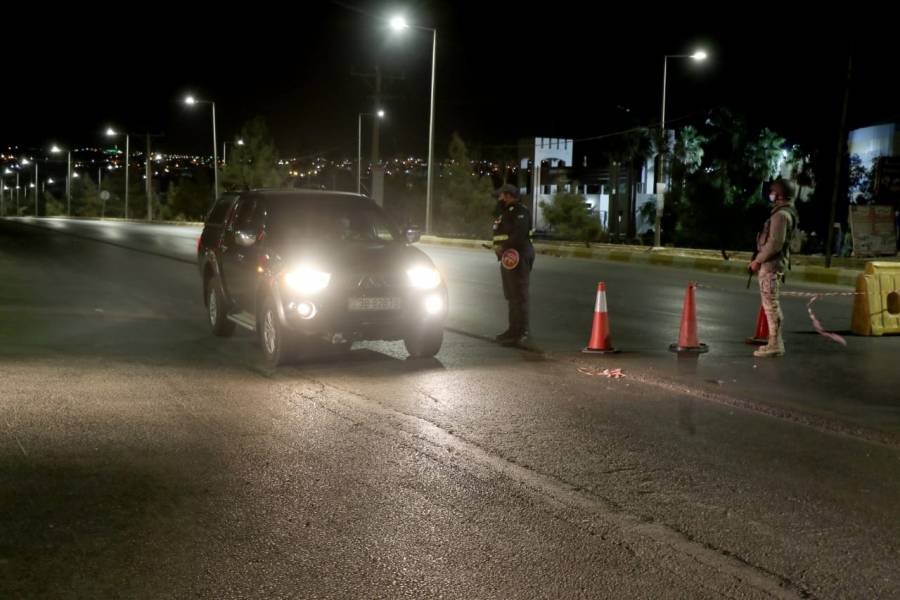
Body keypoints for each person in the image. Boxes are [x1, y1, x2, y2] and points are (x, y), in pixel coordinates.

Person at [749, 179, 799, 357]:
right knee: (770, 304)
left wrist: (758, 260)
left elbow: (774, 244)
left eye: (773, 192)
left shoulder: (781, 215)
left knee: (771, 306)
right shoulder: (783, 213)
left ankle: (775, 345)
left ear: (780, 195)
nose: (770, 195)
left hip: (771, 265)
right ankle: (773, 343)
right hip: (772, 264)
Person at [491, 184, 535, 346]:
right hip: (509, 257)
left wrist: (503, 247)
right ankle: (513, 330)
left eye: (501, 196)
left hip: (519, 256)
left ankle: (523, 333)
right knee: (511, 295)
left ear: (508, 195)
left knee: (519, 295)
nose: (499, 198)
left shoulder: (520, 211)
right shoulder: (506, 212)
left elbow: (519, 235)